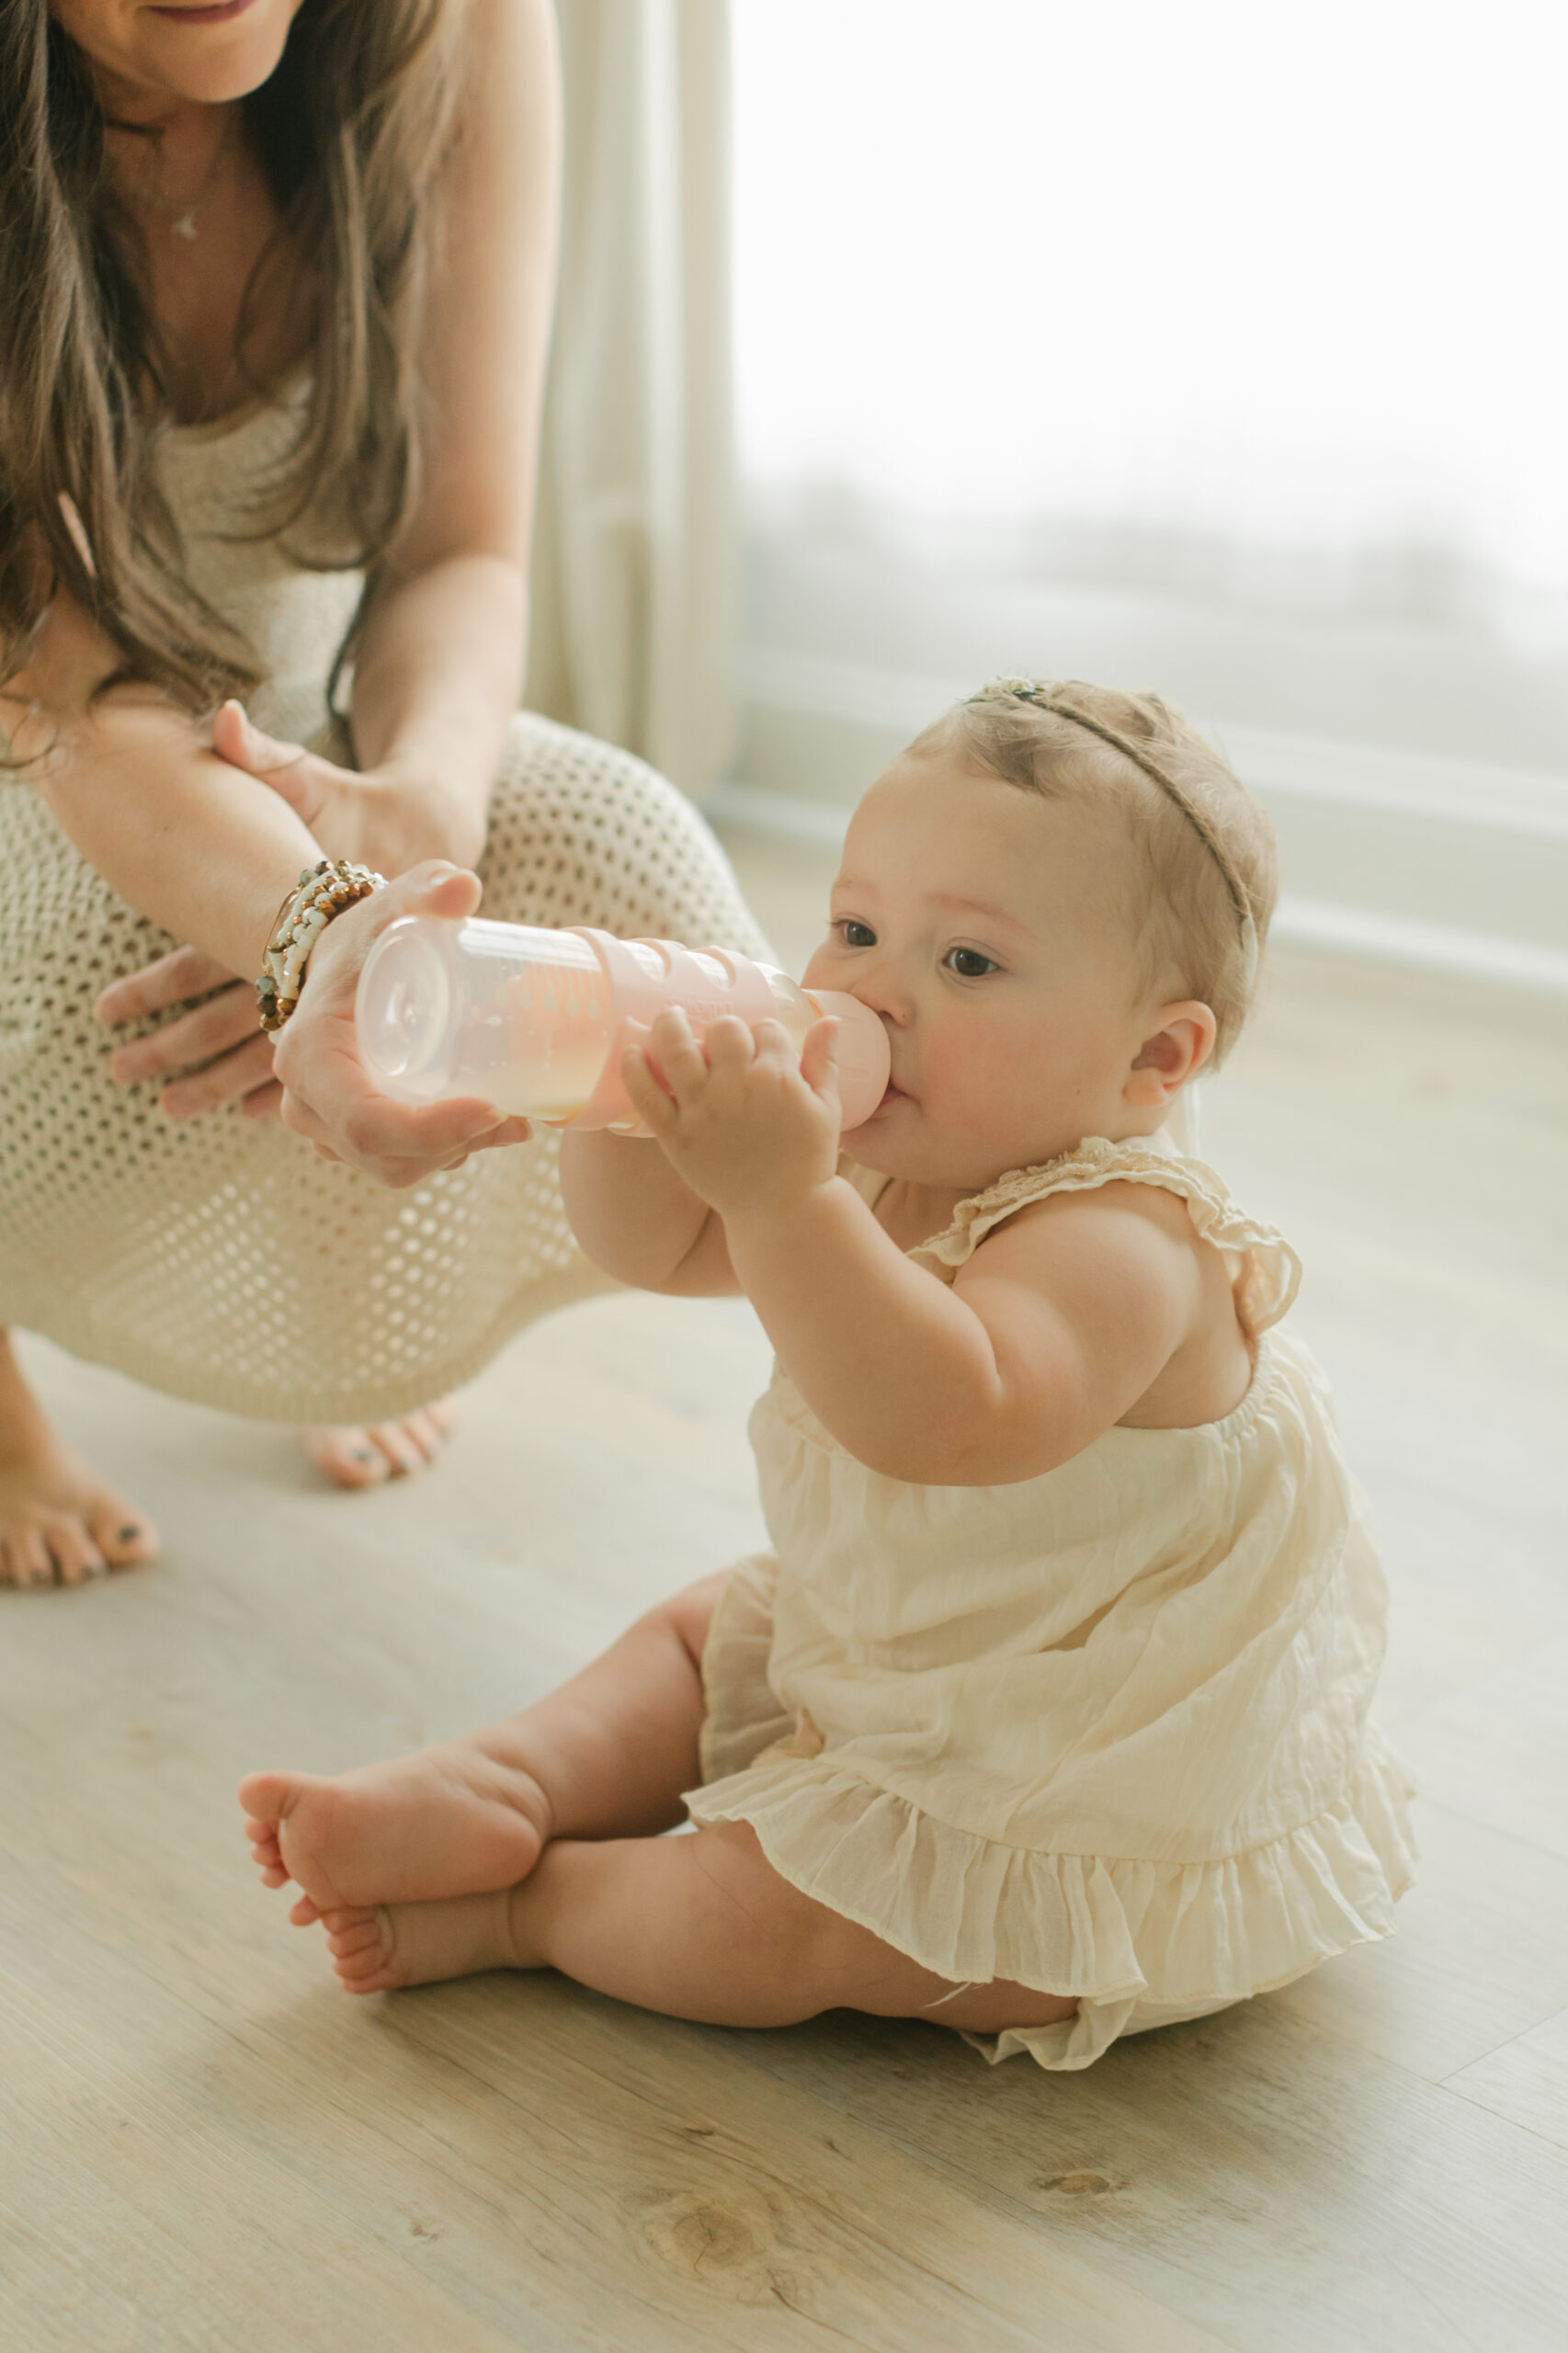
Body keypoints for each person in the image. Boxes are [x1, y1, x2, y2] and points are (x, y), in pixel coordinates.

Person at [237, 677, 1417, 2072]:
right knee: (701, 1635)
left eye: (965, 964)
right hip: (914, 1629)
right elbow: (658, 1246)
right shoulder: (886, 1149)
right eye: (855, 929)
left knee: (773, 1919)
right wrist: (615, 1088)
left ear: (1152, 1058)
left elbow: (947, 1414)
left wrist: (787, 1200)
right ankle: (502, 1778)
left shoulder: (1127, 1240)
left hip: (1081, 1763)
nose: (868, 990)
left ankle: (520, 1908)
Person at [0, 0, 767, 1587]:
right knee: (94, 974)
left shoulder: (460, 25)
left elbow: (458, 552)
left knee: (626, 843)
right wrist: (314, 935)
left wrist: (416, 816)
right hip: (42, 739)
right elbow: (75, 705)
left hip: (283, 716)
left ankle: (316, 1308)